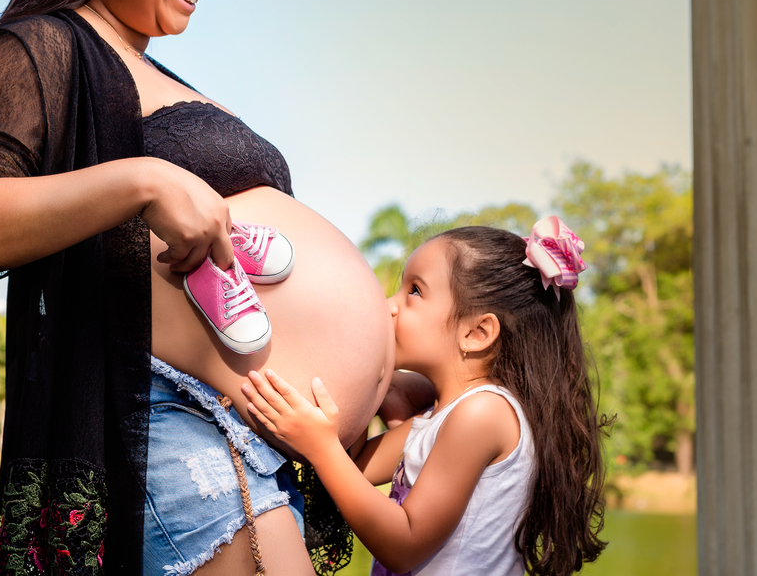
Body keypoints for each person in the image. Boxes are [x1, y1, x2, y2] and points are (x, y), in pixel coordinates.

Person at [0, 0, 399, 576]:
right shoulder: (40, 48)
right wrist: (143, 182)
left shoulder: (162, 74)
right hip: (176, 422)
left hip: (246, 435)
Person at [243, 219, 610, 576]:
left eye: (414, 291)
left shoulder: (482, 414)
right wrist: (370, 386)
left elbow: (404, 546)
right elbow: (356, 469)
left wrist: (322, 447)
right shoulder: (444, 414)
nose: (389, 304)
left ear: (477, 333)